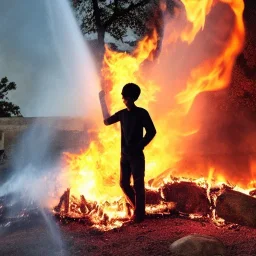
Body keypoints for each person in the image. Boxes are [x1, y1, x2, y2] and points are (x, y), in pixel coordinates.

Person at [103, 83, 156, 223]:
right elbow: (106, 122)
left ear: (131, 98)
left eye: (124, 96)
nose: (122, 99)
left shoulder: (142, 113)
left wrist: (140, 146)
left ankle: (139, 216)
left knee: (138, 185)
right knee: (124, 184)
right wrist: (102, 101)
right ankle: (138, 210)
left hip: (137, 156)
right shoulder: (122, 114)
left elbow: (152, 132)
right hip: (124, 156)